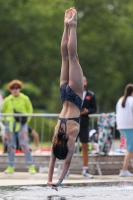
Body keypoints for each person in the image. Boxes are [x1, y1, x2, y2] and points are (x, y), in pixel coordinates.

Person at [47, 8, 84, 190]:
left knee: (72, 57)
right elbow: (52, 161)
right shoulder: (56, 137)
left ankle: (73, 26)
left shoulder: (69, 138)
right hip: (64, 94)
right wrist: (50, 180)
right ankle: (65, 26)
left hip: (75, 97)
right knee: (64, 58)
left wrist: (59, 181)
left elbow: (67, 164)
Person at [2, 79, 36, 174]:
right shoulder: (8, 99)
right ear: (10, 89)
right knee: (10, 145)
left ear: (20, 88)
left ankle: (31, 166)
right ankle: (10, 166)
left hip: (22, 124)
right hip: (10, 124)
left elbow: (30, 110)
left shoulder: (25, 98)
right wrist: (7, 121)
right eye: (13, 88)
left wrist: (26, 121)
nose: (15, 89)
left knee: (25, 144)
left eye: (17, 87)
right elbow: (4, 111)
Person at [79, 76, 97, 178]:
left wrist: (87, 111)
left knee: (85, 147)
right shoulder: (73, 93)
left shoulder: (90, 95)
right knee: (70, 147)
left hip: (84, 123)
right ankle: (66, 169)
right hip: (73, 123)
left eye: (84, 80)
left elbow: (94, 108)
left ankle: (85, 169)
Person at [116, 84, 133, 177]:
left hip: (122, 127)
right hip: (130, 127)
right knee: (130, 150)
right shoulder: (131, 100)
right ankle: (124, 170)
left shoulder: (120, 100)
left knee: (131, 149)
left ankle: (128, 167)